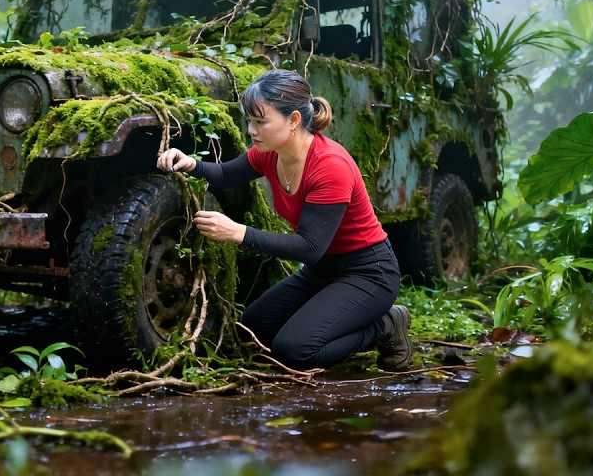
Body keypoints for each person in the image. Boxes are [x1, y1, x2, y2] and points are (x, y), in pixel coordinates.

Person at [156, 69, 413, 371]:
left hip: (368, 273)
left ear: (292, 120)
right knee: (253, 331)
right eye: (249, 121)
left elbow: (310, 247)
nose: (251, 130)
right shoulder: (270, 153)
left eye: (260, 121)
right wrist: (192, 164)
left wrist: (240, 233)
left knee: (294, 352)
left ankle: (385, 325)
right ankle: (334, 322)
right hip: (322, 272)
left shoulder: (330, 166)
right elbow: (226, 175)